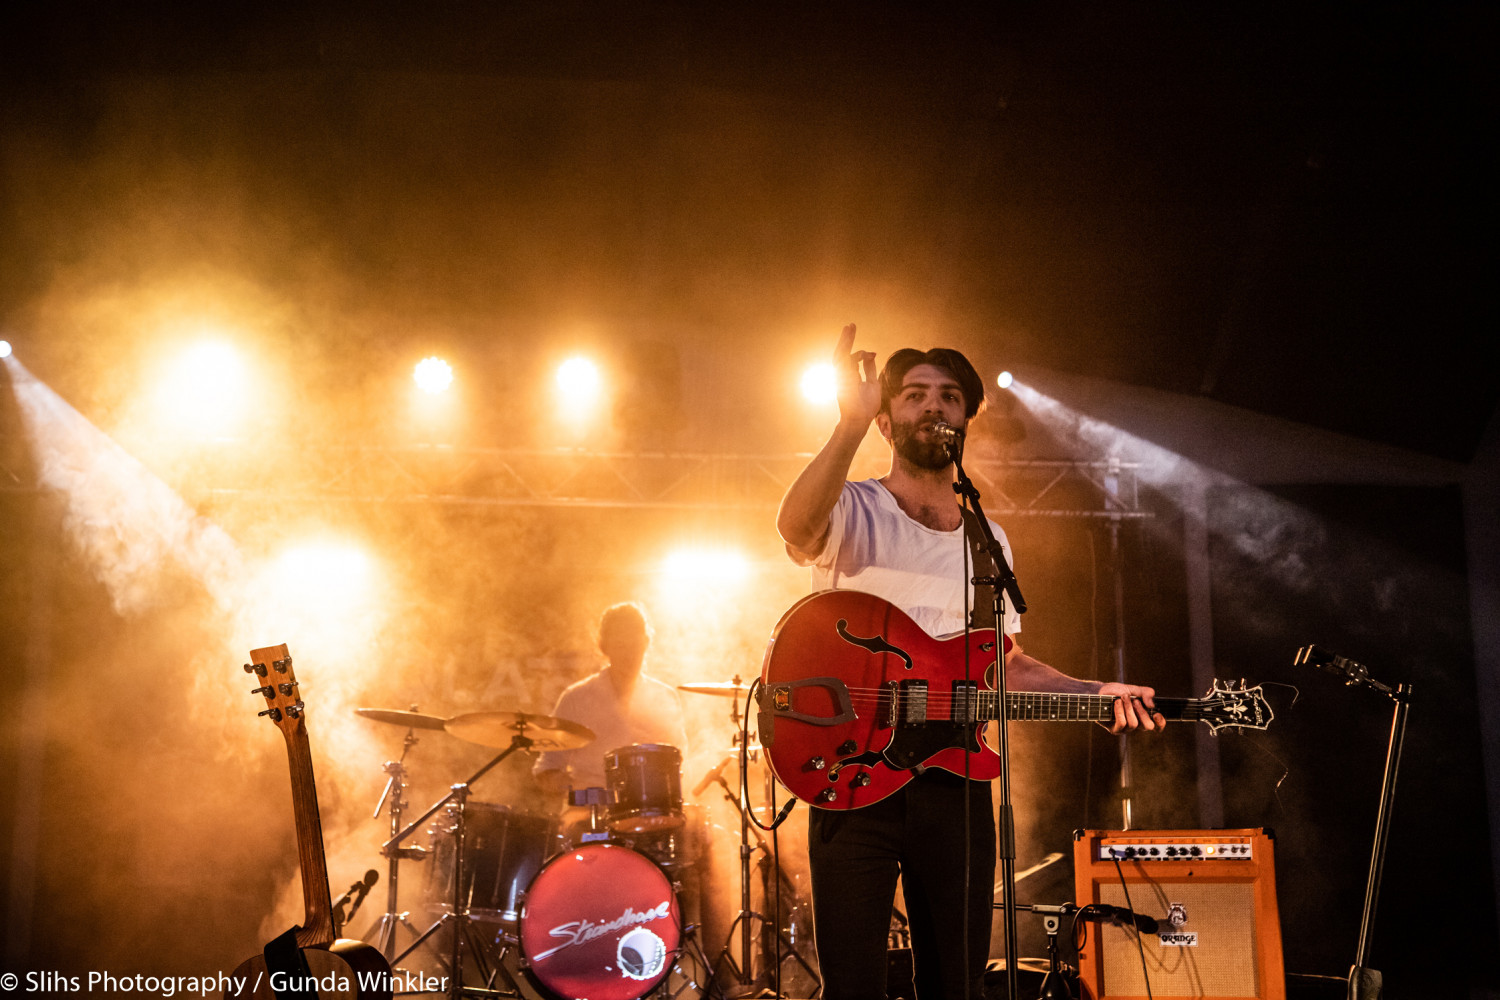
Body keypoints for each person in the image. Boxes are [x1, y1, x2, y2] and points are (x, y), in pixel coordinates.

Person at [776, 324, 1164, 1000]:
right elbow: (796, 529)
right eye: (916, 394)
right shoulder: (855, 506)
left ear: (967, 417)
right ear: (888, 420)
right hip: (853, 773)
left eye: (950, 396)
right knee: (854, 987)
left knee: (957, 984)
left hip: (954, 788)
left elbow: (1002, 665)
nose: (934, 406)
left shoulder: (990, 541)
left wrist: (1094, 689)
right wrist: (848, 423)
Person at [532, 601, 690, 805]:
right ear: (604, 648)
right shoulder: (576, 698)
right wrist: (567, 787)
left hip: (650, 813)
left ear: (646, 644)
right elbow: (548, 766)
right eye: (620, 646)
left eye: (635, 645)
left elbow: (679, 762)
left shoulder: (664, 697)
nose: (629, 654)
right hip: (591, 814)